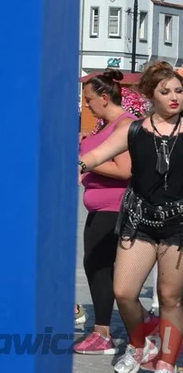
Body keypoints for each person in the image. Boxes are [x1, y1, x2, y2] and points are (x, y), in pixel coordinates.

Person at [80, 61, 183, 373]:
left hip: (178, 224)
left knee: (170, 298)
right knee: (124, 292)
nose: (174, 97)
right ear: (151, 95)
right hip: (140, 221)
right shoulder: (135, 129)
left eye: (179, 90)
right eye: (165, 91)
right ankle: (140, 346)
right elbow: (96, 155)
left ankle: (166, 360)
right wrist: (74, 165)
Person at [74, 70, 135, 354]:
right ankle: (106, 329)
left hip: (114, 207)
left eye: (89, 100)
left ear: (104, 97)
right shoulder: (104, 125)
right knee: (95, 266)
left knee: (100, 267)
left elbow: (125, 171)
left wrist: (85, 161)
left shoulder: (125, 125)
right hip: (98, 208)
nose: (86, 105)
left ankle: (103, 332)